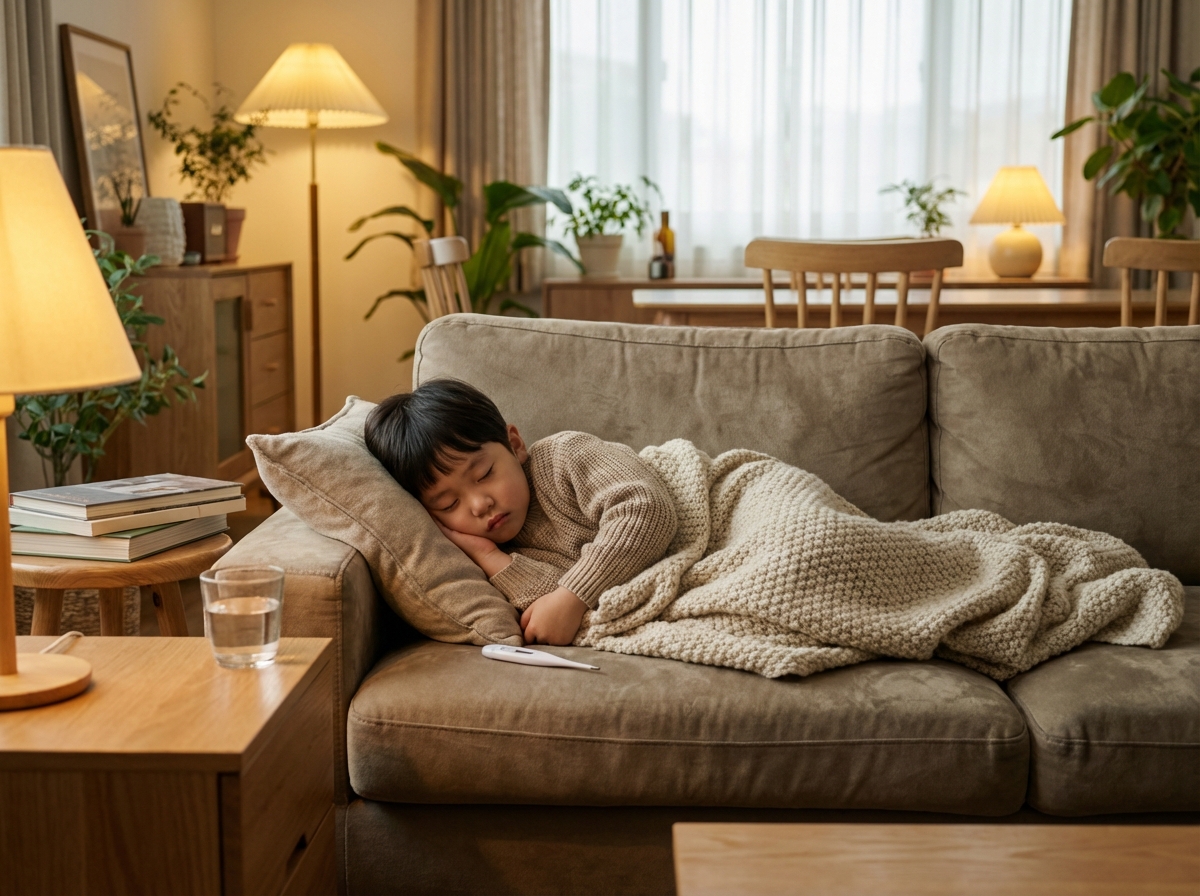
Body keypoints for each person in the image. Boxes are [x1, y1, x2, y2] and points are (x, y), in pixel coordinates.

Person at [364, 379, 677, 646]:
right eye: (448, 504)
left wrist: (573, 596)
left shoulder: (564, 457)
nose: (479, 504)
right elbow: (549, 616)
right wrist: (490, 558)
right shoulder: (480, 555)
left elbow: (645, 510)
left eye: (485, 473)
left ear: (514, 445)